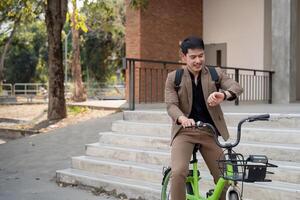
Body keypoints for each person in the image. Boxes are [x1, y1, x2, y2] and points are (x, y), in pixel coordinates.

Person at [164, 36, 243, 200]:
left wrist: (223, 94)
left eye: (201, 55)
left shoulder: (215, 73)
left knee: (225, 178)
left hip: (209, 133)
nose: (198, 60)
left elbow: (236, 87)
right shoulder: (174, 77)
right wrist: (182, 118)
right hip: (184, 132)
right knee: (178, 173)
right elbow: (171, 105)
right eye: (193, 57)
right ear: (184, 57)